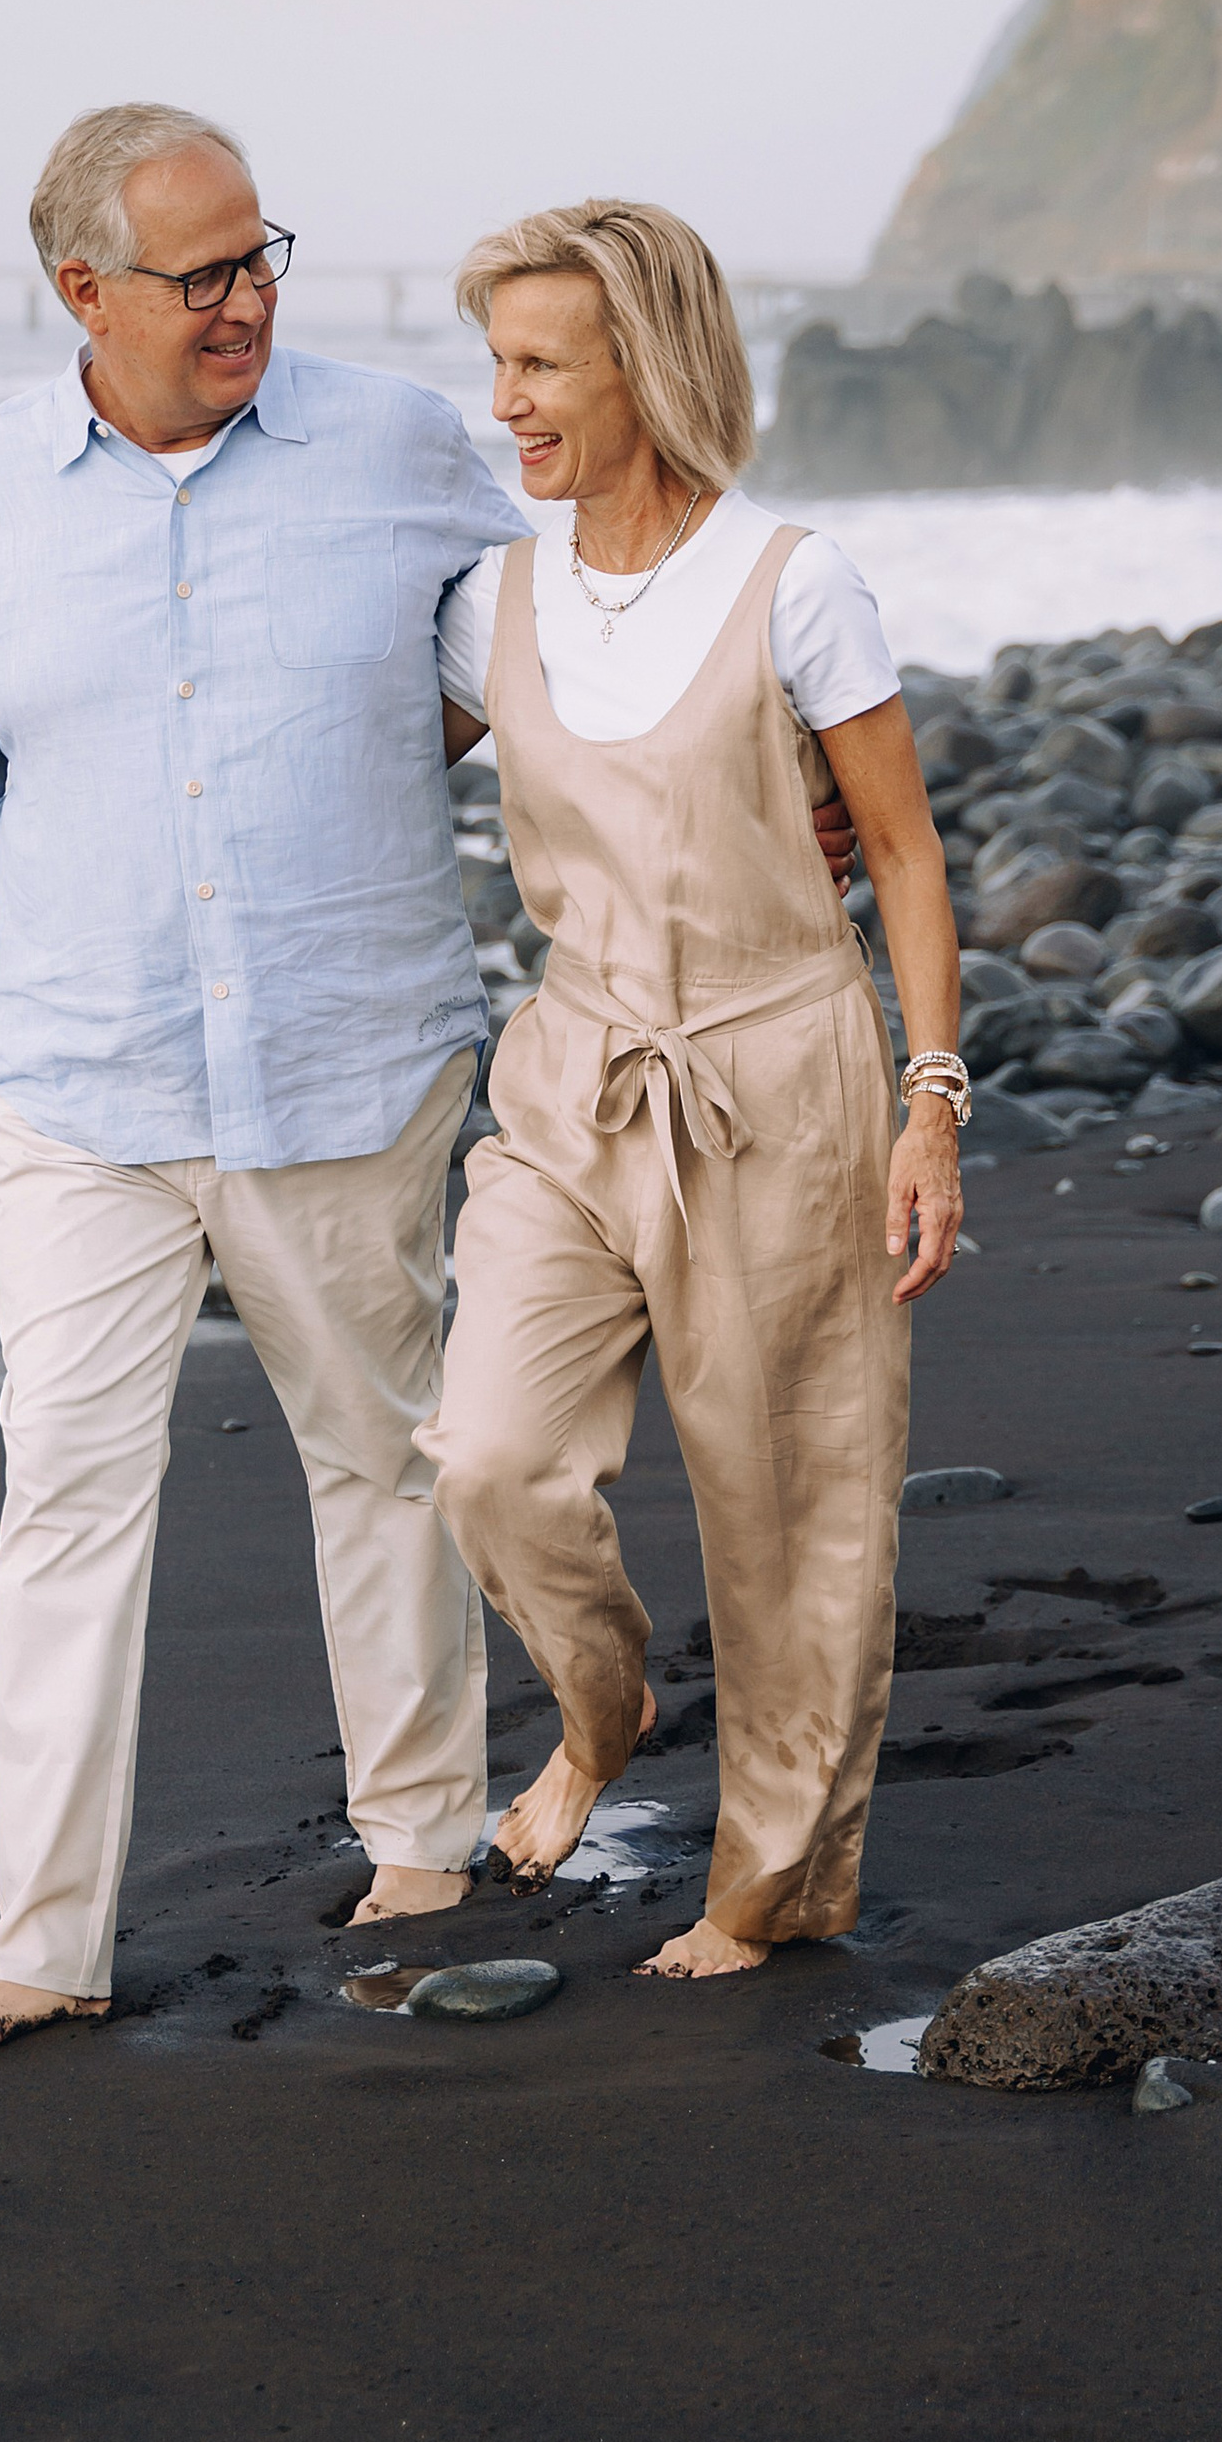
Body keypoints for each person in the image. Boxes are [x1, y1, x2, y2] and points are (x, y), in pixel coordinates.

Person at [0, 105, 527, 2052]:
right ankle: (40, 1949)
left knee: (384, 1460)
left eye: (261, 256)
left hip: (348, 1050)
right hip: (81, 1079)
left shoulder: (395, 443)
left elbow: (546, 655)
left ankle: (419, 1841)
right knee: (61, 1499)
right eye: (203, 272)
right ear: (82, 290)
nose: (249, 299)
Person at [418, 196, 967, 1981]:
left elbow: (899, 852)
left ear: (643, 368)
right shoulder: (485, 604)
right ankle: (604, 1710)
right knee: (491, 1456)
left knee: (791, 1496)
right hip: (576, 1069)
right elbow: (329, 782)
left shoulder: (795, 581)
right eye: (494, 361)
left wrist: (932, 1103)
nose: (504, 402)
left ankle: (772, 1888)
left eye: (535, 363)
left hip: (782, 1067)